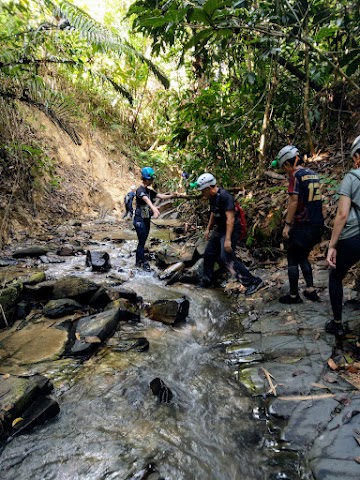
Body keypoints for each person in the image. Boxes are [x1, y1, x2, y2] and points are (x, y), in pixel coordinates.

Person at [195, 173, 263, 295]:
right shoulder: (212, 197)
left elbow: (230, 219)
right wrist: (208, 229)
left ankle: (252, 281)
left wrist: (227, 240)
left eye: (202, 191)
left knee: (227, 257)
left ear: (208, 188)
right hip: (220, 229)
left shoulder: (226, 197)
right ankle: (207, 280)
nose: (202, 194)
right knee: (209, 253)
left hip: (231, 229)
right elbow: (213, 213)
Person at [273, 145, 324, 303]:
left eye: (284, 168)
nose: (285, 171)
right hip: (317, 224)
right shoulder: (312, 174)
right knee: (303, 255)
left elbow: (294, 201)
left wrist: (287, 224)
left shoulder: (295, 176)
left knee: (293, 257)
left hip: (303, 225)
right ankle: (310, 289)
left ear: (288, 164)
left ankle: (294, 295)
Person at [325, 135, 360, 338]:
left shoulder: (351, 178)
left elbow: (342, 214)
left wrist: (332, 245)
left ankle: (337, 323)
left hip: (353, 237)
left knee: (336, 277)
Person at [133, 167, 178, 271]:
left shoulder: (149, 191)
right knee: (141, 242)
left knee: (142, 242)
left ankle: (137, 263)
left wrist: (172, 195)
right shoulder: (140, 190)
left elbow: (160, 196)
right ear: (145, 179)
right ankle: (144, 263)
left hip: (146, 219)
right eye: (151, 179)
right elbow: (145, 199)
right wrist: (153, 208)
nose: (152, 181)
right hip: (139, 220)